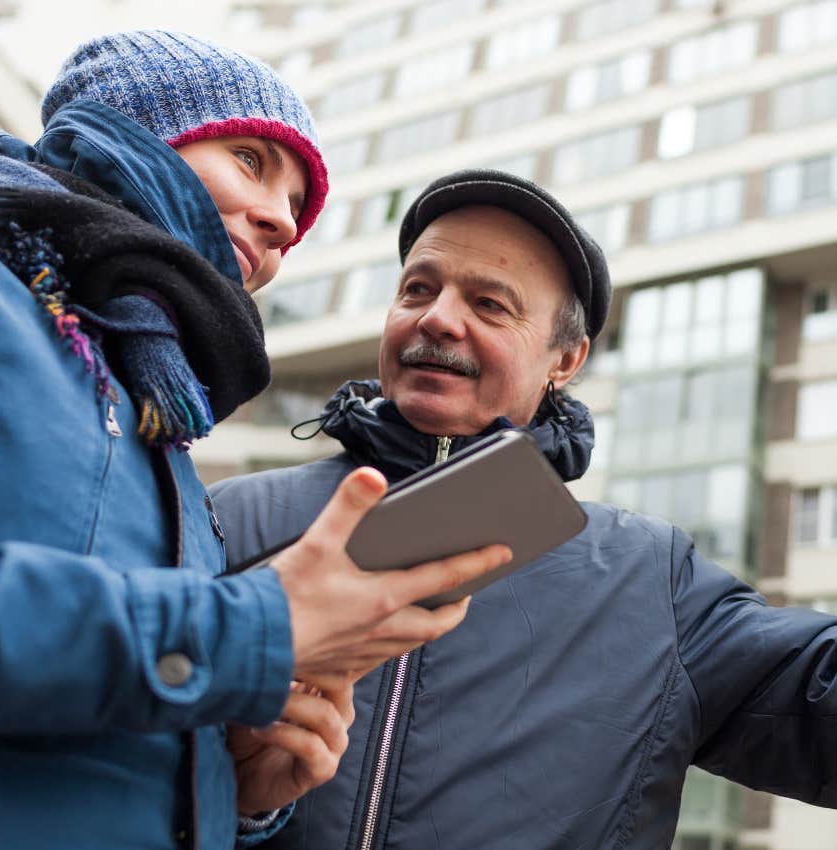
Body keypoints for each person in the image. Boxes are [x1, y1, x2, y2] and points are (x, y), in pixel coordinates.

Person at [0, 33, 510, 850]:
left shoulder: (160, 428)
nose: (279, 221)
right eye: (250, 160)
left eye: (296, 212)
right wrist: (253, 627)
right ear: (130, 128)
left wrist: (236, 786)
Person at [211, 168, 837, 850]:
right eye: (418, 289)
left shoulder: (651, 581)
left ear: (564, 360)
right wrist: (239, 812)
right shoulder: (222, 521)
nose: (438, 318)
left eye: (489, 304)